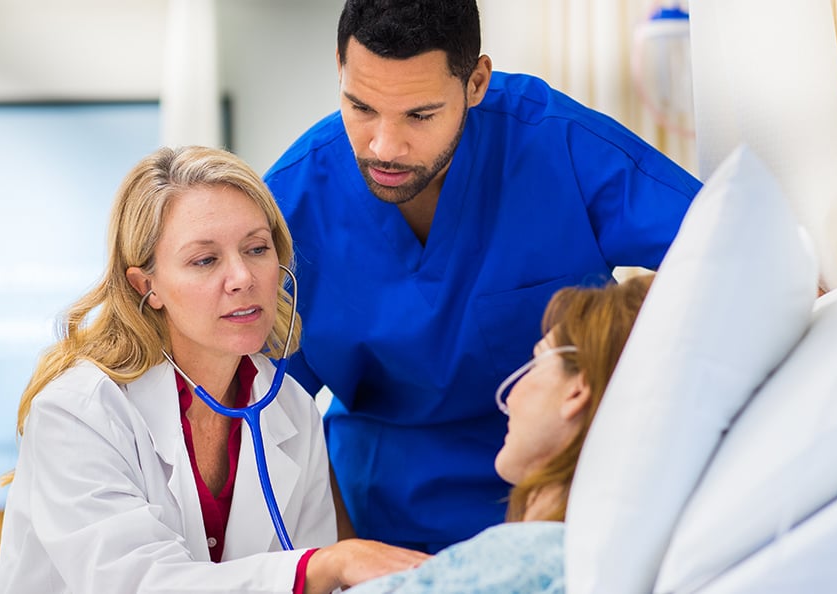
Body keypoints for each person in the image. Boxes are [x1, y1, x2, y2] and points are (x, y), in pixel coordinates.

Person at [263, 0, 700, 552]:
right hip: (384, 522)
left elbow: (727, 255)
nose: (384, 146)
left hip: (566, 505)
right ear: (339, 67)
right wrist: (347, 562)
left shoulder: (554, 146)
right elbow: (276, 413)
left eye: (420, 115)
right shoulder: (291, 205)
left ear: (476, 83)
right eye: (361, 107)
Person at [0, 146, 428, 594]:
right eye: (205, 260)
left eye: (256, 249)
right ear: (146, 286)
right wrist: (320, 567)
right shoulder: (79, 413)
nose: (243, 277)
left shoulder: (291, 409)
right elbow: (136, 583)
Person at [349, 274, 655, 593]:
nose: (509, 397)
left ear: (577, 390)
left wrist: (328, 565)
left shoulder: (515, 565)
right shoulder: (616, 561)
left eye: (536, 362)